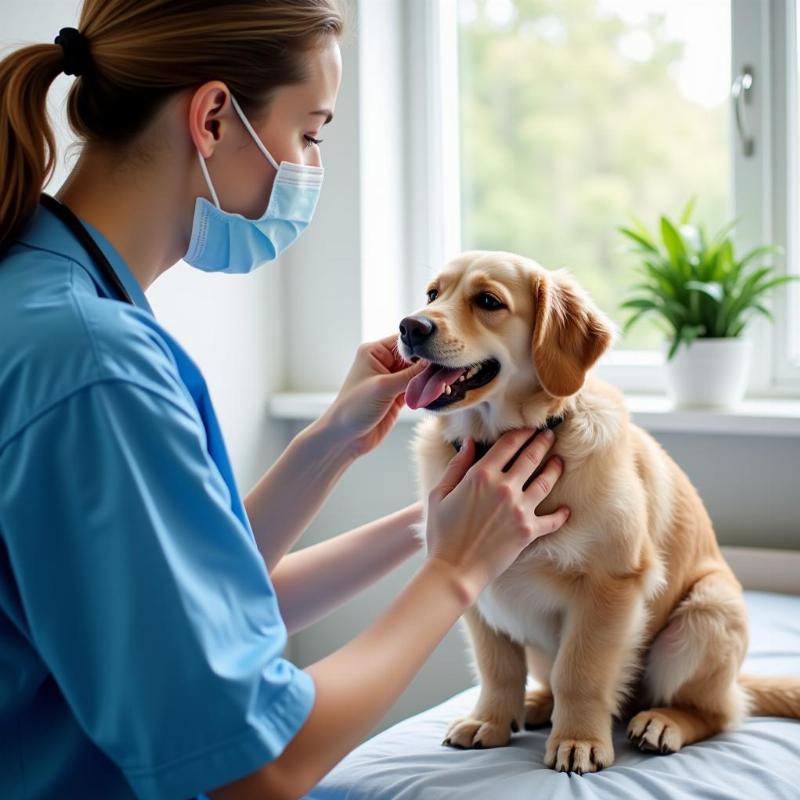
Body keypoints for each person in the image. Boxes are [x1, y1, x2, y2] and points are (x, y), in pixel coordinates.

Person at [0, 2, 571, 798]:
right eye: (311, 132)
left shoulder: (40, 288)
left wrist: (344, 457)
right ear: (212, 118)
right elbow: (261, 769)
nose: (310, 165)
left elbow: (192, 600)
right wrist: (454, 572)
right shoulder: (99, 365)